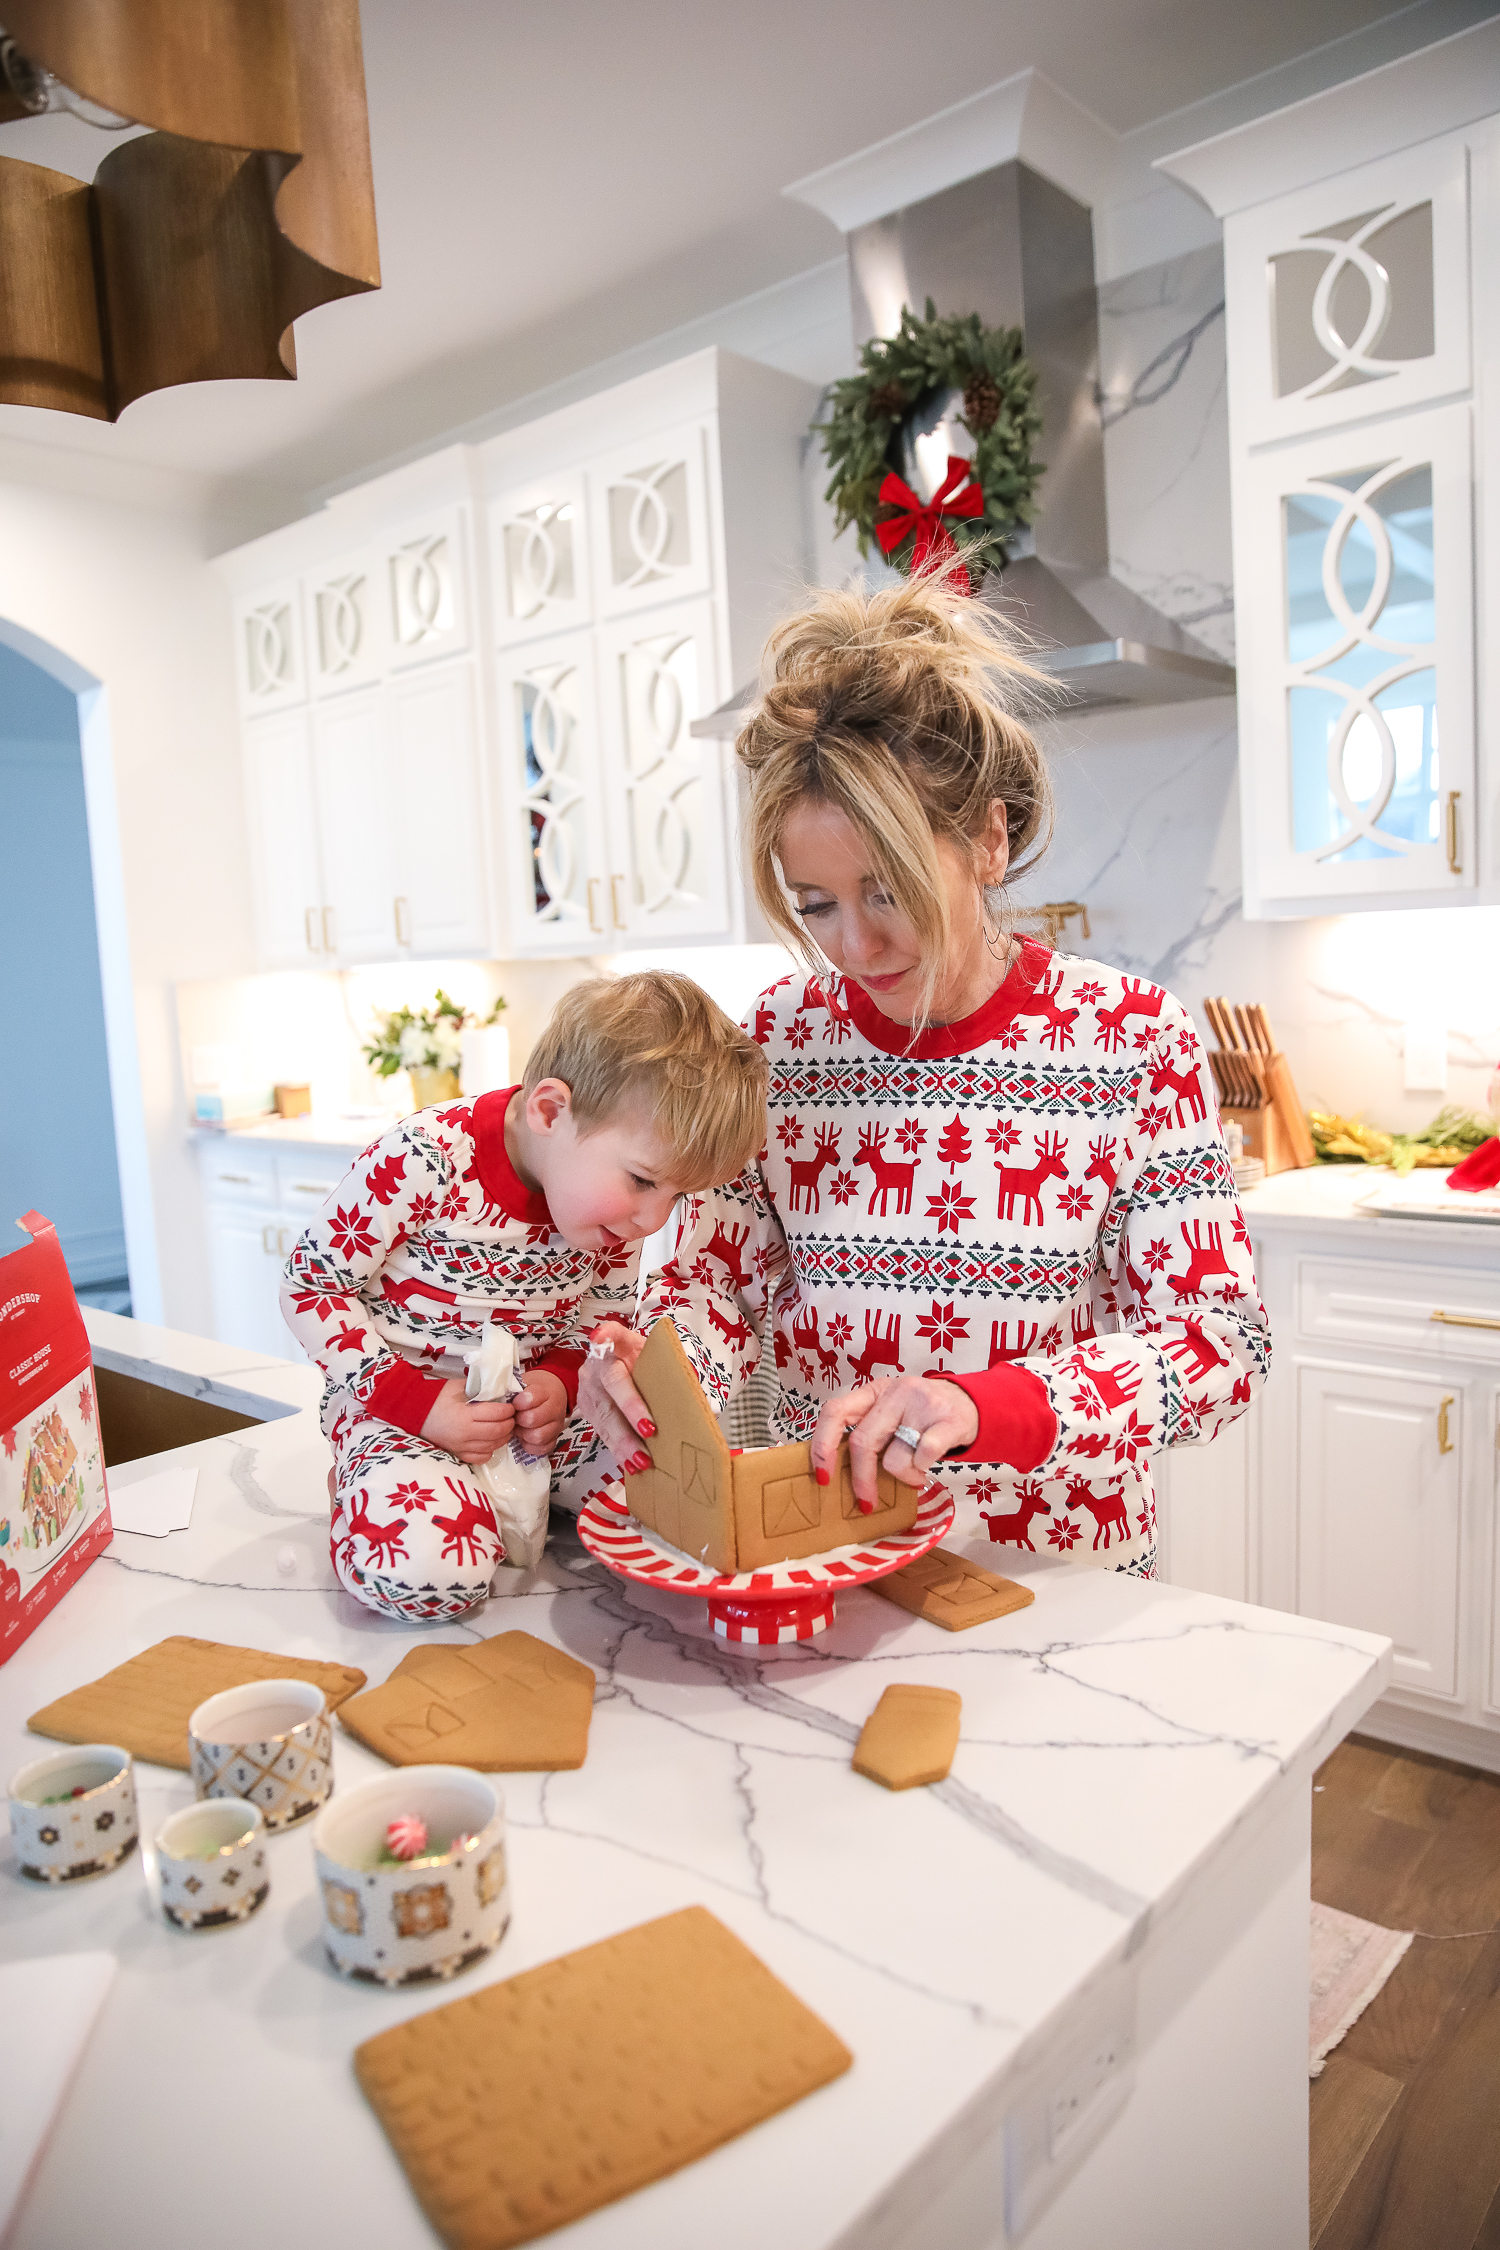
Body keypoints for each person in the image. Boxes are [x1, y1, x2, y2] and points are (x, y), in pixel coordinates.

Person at [579, 576, 1269, 1578]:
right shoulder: (777, 1040)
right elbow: (707, 1285)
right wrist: (651, 1370)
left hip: (1054, 1574)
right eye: (814, 903)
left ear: (988, 840)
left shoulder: (1131, 1038)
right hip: (831, 1555)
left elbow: (1222, 1346)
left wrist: (979, 1405)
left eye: (889, 889)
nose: (854, 944)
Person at [281, 971, 766, 1620]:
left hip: (530, 1430)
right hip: (401, 1414)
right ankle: (368, 1484)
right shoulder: (426, 1158)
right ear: (549, 1112)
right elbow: (311, 1286)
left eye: (676, 1197)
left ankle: (481, 1504)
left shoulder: (611, 1214)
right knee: (431, 1576)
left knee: (685, 1512)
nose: (654, 1219)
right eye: (644, 1180)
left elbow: (600, 1321)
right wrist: (417, 1404)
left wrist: (563, 1383)